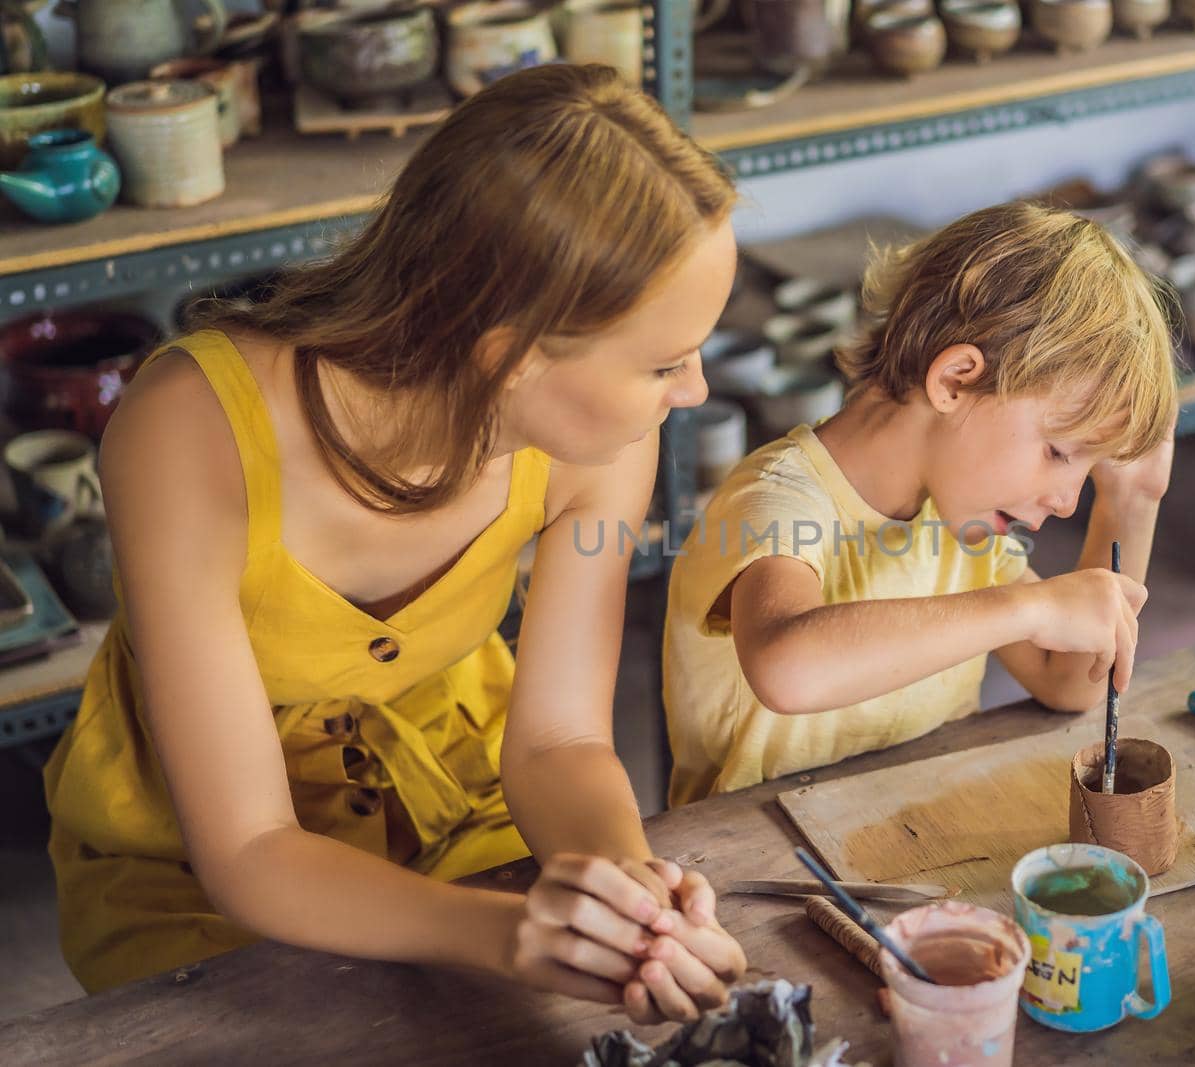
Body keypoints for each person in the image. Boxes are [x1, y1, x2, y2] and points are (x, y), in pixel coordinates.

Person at [43, 65, 745, 1022]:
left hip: (449, 773)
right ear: (507, 353)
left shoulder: (611, 437)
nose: (695, 388)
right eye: (665, 360)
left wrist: (626, 895)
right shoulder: (191, 430)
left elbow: (560, 738)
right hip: (197, 856)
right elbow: (249, 848)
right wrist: (504, 933)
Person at [663, 202, 1178, 805]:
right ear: (956, 380)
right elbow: (787, 667)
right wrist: (1028, 606)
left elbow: (1068, 682)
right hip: (748, 862)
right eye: (1060, 453)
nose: (1068, 502)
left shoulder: (960, 517)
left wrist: (1132, 502)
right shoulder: (778, 498)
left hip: (907, 826)